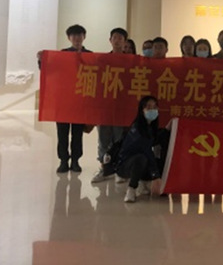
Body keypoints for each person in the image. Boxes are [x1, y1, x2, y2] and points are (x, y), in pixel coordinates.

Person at [38, 24, 91, 174]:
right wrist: (42, 60)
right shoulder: (63, 54)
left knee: (77, 133)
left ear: (84, 37)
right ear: (69, 38)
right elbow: (49, 70)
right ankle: (63, 161)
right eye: (73, 35)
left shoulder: (90, 55)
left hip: (80, 101)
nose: (77, 38)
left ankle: (75, 161)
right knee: (62, 133)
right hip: (63, 101)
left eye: (79, 35)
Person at [115, 96, 171, 203]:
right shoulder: (137, 128)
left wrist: (167, 129)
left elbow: (154, 140)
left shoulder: (150, 126)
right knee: (142, 159)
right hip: (125, 165)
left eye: (155, 107)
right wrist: (155, 176)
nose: (152, 110)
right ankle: (131, 188)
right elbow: (147, 151)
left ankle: (144, 182)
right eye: (148, 107)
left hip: (139, 162)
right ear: (142, 110)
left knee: (159, 163)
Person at [92, 27, 129, 183]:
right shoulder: (103, 60)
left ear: (125, 42)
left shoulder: (131, 61)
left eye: (121, 38)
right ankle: (104, 169)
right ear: (110, 40)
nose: (117, 41)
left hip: (121, 107)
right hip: (105, 106)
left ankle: (118, 169)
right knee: (103, 139)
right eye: (115, 38)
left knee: (119, 139)